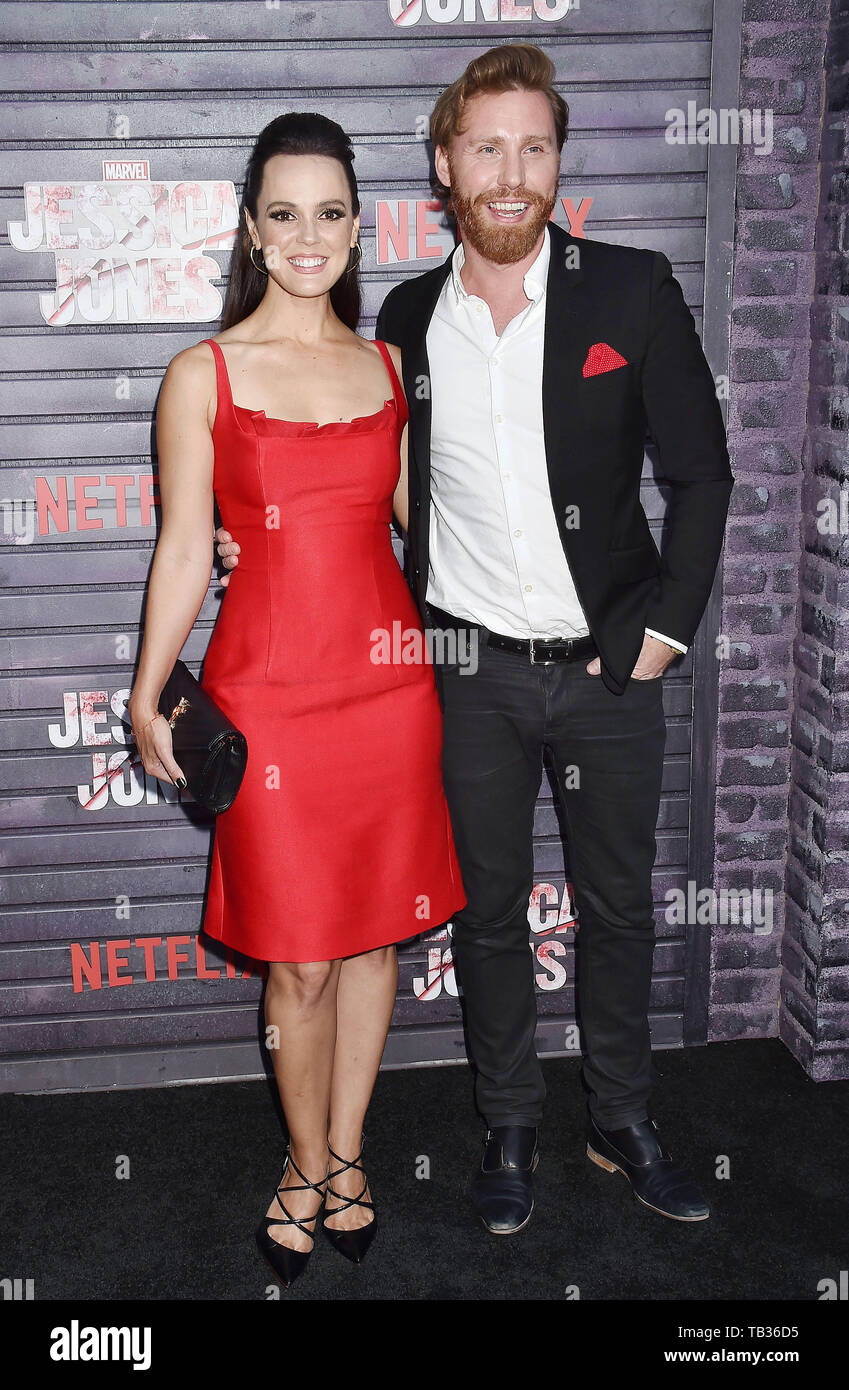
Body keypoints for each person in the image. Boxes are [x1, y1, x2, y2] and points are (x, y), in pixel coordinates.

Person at [215, 45, 734, 1237]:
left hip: (609, 667)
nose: (511, 174)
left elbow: (702, 476)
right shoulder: (402, 321)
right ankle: (508, 1126)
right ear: (443, 166)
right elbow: (351, 483)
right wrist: (258, 541)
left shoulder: (632, 289)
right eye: (485, 148)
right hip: (464, 673)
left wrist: (660, 632)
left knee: (616, 907)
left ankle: (622, 1117)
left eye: (534, 147)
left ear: (559, 162)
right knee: (487, 912)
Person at [128, 112, 465, 1288]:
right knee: (299, 961)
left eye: (331, 212)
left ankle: (350, 1158)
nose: (310, 235)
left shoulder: (386, 366)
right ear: (253, 230)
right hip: (268, 695)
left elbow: (432, 530)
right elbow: (183, 549)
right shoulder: (202, 374)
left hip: (388, 688)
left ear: (357, 224)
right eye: (285, 213)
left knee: (374, 941)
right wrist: (142, 694)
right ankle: (301, 1157)